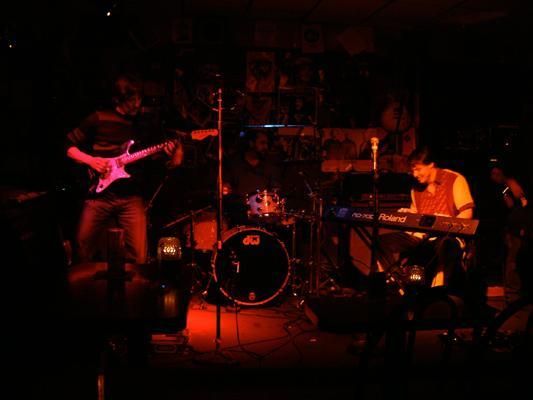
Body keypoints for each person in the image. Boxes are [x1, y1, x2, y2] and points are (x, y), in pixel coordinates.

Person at [66, 74, 183, 264]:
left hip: (131, 197)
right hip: (99, 196)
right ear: (117, 100)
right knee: (82, 246)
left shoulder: (143, 124)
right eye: (132, 99)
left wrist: (173, 153)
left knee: (139, 255)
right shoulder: (98, 118)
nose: (137, 104)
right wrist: (91, 160)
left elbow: (157, 158)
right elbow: (67, 146)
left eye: (139, 98)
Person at [378, 146, 475, 295]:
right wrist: (409, 215)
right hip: (421, 236)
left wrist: (446, 222)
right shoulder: (416, 189)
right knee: (381, 242)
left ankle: (441, 291)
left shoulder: (454, 179)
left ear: (431, 165)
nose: (415, 174)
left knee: (444, 245)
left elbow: (467, 213)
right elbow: (417, 216)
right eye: (412, 170)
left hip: (449, 236)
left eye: (418, 169)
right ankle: (398, 283)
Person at [489, 163, 529, 303]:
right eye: (492, 174)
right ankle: (512, 289)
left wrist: (522, 226)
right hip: (510, 228)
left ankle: (514, 290)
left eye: (496, 174)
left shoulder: (512, 186)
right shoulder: (504, 188)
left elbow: (518, 205)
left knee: (513, 258)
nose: (493, 177)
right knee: (511, 257)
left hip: (517, 228)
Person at [223, 130, 281, 225]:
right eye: (262, 143)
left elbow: (275, 191)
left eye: (267, 144)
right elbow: (226, 190)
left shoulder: (269, 167)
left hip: (264, 218)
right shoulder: (234, 165)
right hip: (238, 216)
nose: (266, 147)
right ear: (251, 143)